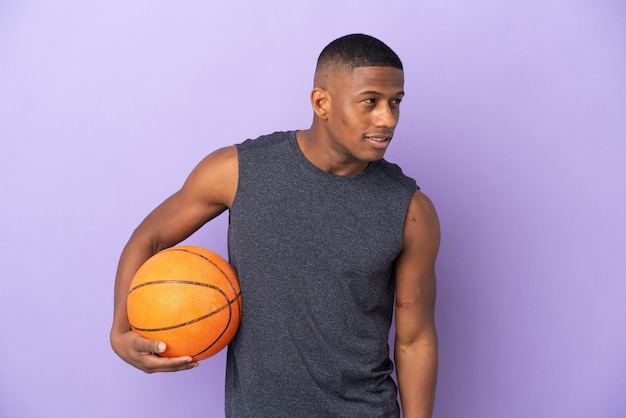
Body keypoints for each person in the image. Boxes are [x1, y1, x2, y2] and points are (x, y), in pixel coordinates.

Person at [111, 33, 440, 418]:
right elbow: (148, 239)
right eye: (370, 102)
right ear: (322, 103)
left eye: (395, 103)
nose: (387, 119)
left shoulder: (411, 210)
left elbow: (415, 340)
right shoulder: (236, 172)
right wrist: (121, 331)